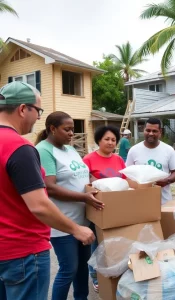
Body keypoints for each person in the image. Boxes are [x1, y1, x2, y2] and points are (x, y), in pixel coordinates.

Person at [0, 81, 95, 300]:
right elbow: (39, 204)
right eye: (38, 111)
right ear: (23, 109)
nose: (39, 118)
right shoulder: (20, 148)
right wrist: (76, 229)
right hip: (23, 251)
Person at [35, 112, 104, 300]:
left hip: (83, 221)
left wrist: (102, 184)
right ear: (52, 129)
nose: (71, 133)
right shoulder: (44, 150)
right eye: (67, 129)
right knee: (68, 269)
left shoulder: (70, 150)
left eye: (73, 129)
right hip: (63, 224)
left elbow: (84, 174)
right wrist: (84, 197)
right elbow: (49, 187)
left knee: (82, 267)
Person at [83, 125, 125, 292]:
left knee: (114, 242)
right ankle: (95, 276)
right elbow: (85, 183)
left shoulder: (119, 159)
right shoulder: (88, 159)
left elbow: (125, 181)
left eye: (113, 140)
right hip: (98, 208)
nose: (110, 142)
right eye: (106, 139)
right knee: (98, 244)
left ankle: (114, 272)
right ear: (99, 140)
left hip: (117, 208)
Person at [126, 118, 175, 205]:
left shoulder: (168, 150)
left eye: (154, 131)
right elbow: (127, 174)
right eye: (148, 130)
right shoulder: (134, 150)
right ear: (144, 130)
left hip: (163, 202)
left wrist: (167, 180)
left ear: (160, 132)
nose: (151, 133)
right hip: (140, 202)